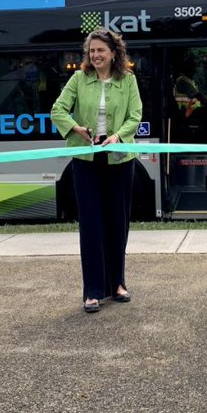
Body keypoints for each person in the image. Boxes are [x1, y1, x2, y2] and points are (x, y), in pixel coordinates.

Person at [51, 28, 142, 313]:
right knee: (90, 223)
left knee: (118, 221)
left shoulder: (128, 80)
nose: (95, 55)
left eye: (101, 50)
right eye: (92, 51)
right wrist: (75, 128)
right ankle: (92, 290)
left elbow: (135, 116)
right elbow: (58, 110)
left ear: (114, 52)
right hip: (86, 161)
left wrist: (118, 137)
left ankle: (117, 284)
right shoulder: (79, 79)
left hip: (119, 159)